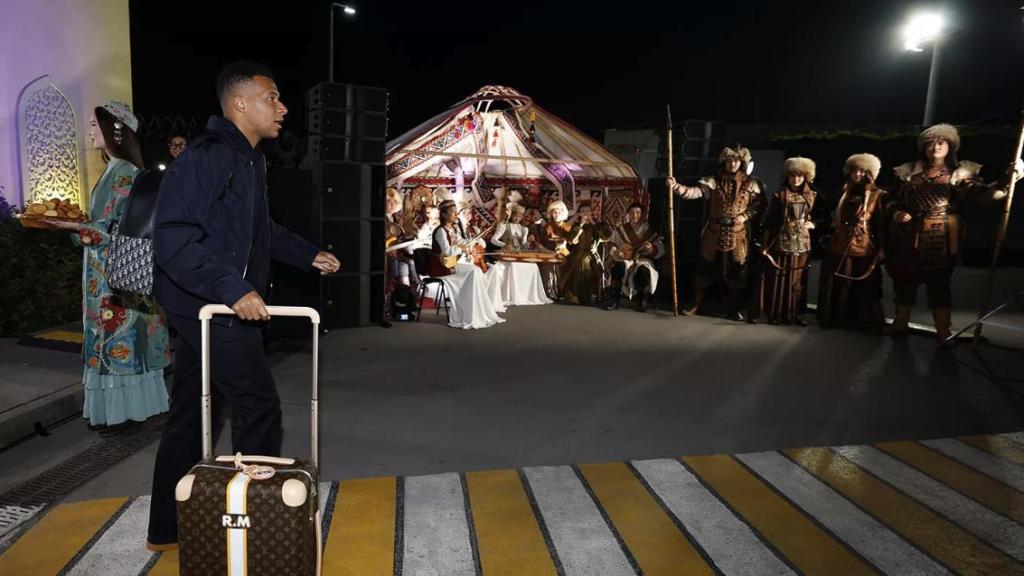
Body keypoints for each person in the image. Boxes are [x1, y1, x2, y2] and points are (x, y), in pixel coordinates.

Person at [146, 61, 340, 550]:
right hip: (208, 304)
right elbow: (173, 238)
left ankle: (167, 530)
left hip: (211, 303)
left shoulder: (249, 159)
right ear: (239, 104)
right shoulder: (209, 155)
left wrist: (307, 254)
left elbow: (261, 232)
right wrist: (232, 288)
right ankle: (254, 528)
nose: (282, 107)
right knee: (258, 406)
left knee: (192, 415)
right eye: (271, 98)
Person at [47, 101, 171, 435]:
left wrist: (72, 227)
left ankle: (126, 414)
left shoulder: (126, 174)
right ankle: (123, 412)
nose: (89, 130)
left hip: (117, 274)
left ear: (115, 130)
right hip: (101, 272)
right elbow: (102, 225)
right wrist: (78, 227)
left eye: (93, 124)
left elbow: (117, 228)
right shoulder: (113, 171)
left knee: (120, 333)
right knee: (111, 333)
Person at [885, 124, 1023, 340]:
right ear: (924, 147)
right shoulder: (908, 173)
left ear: (950, 146)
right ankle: (901, 322)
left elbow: (982, 195)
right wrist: (897, 213)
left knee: (938, 282)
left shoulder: (958, 173)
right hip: (907, 234)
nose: (935, 147)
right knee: (904, 279)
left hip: (940, 234)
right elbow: (891, 200)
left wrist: (1007, 180)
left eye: (941, 142)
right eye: (930, 143)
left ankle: (942, 330)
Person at [668, 146, 764, 321]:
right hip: (714, 233)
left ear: (741, 162)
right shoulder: (713, 181)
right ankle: (695, 304)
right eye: (729, 160)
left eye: (736, 161)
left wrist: (745, 215)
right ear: (724, 162)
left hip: (738, 235)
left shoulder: (752, 183)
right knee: (704, 269)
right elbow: (694, 193)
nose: (732, 164)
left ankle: (733, 309)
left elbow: (758, 205)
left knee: (738, 272)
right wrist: (676, 187)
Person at [817, 153, 886, 333]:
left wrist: (882, 248)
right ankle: (835, 319)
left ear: (869, 173)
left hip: (864, 245)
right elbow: (824, 212)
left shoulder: (878, 195)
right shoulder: (843, 192)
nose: (857, 175)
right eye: (854, 171)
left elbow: (881, 224)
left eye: (862, 171)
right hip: (839, 243)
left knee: (865, 285)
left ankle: (864, 322)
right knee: (836, 282)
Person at [757, 157, 819, 326]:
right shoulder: (778, 196)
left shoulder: (813, 196)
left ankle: (796, 314)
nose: (796, 179)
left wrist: (814, 223)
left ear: (806, 176)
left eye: (799, 176)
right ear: (787, 177)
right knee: (780, 278)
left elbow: (823, 216)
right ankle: (777, 314)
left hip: (802, 245)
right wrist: (765, 245)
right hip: (781, 243)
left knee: (798, 281)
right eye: (792, 175)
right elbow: (769, 221)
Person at [426, 200, 506, 328]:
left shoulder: (452, 229)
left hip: (451, 264)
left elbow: (461, 241)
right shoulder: (440, 231)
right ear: (444, 214)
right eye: (453, 213)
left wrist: (471, 241)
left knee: (476, 270)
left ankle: (476, 311)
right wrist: (462, 248)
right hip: (441, 266)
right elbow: (448, 251)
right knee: (474, 271)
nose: (455, 215)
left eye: (456, 212)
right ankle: (468, 313)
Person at [604, 203, 664, 312]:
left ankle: (641, 300)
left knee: (644, 270)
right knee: (618, 267)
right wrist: (616, 252)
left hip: (642, 258)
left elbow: (659, 249)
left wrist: (650, 248)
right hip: (627, 258)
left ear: (642, 214)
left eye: (638, 212)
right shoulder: (622, 229)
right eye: (632, 212)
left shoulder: (649, 231)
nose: (635, 215)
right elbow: (611, 243)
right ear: (628, 214)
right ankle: (614, 299)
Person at [490, 204, 551, 306]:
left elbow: (523, 247)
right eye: (515, 215)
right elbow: (493, 240)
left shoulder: (524, 229)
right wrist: (505, 245)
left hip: (518, 255)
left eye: (520, 216)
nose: (517, 218)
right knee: (513, 266)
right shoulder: (503, 226)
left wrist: (529, 241)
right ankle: (512, 295)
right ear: (511, 215)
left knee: (533, 266)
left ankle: (526, 295)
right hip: (507, 256)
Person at [558, 202, 605, 306]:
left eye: (588, 211)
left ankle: (589, 295)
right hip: (577, 253)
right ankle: (574, 295)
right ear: (579, 214)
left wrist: (597, 226)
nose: (586, 213)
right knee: (579, 262)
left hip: (592, 253)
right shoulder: (575, 226)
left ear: (591, 213)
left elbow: (605, 237)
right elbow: (572, 241)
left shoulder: (596, 225)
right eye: (583, 212)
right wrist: (581, 226)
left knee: (589, 263)